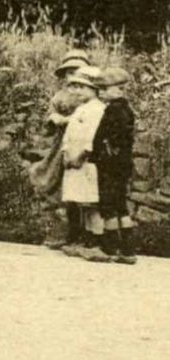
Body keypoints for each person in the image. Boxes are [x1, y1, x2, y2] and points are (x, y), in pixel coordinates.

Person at [41, 49, 95, 249]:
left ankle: (82, 235)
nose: (73, 77)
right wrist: (54, 118)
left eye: (77, 71)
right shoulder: (60, 96)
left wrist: (70, 120)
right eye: (69, 73)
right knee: (57, 184)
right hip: (62, 143)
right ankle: (61, 234)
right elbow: (51, 113)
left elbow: (92, 115)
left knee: (82, 189)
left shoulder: (89, 95)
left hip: (82, 143)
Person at [60, 67, 107, 260]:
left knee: (90, 202)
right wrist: (66, 153)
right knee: (77, 201)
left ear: (95, 89)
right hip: (72, 161)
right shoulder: (80, 109)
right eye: (75, 87)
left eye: (83, 87)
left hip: (85, 163)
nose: (78, 91)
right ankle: (81, 240)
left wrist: (80, 157)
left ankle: (95, 241)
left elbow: (92, 138)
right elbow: (69, 134)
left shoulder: (98, 110)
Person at [91, 66, 137, 264]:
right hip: (121, 164)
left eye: (104, 89)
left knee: (108, 205)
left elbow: (109, 138)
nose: (100, 92)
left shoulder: (113, 111)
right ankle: (127, 250)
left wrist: (102, 152)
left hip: (110, 164)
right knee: (121, 206)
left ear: (117, 89)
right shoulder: (126, 110)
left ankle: (110, 248)